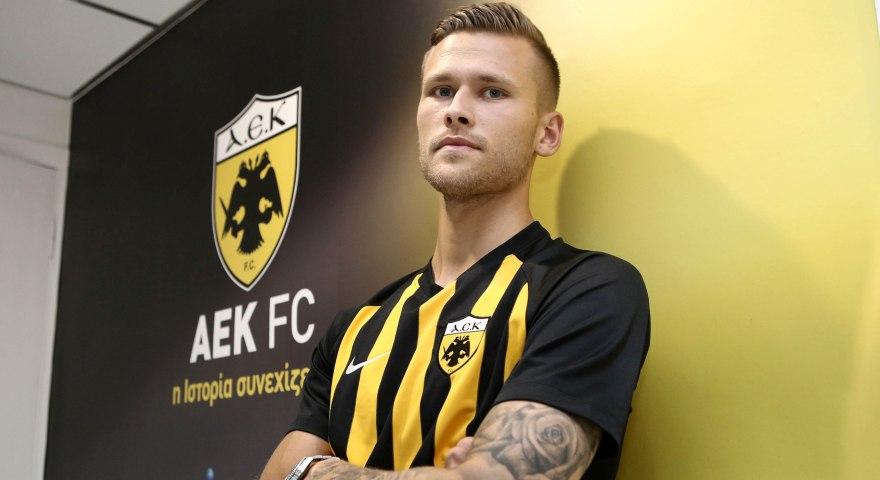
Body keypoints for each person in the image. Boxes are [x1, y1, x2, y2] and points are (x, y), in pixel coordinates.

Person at [260, 3, 650, 479]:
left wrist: (312, 471)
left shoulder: (588, 290)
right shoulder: (354, 329)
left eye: (492, 92)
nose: (457, 111)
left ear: (546, 134)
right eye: (441, 91)